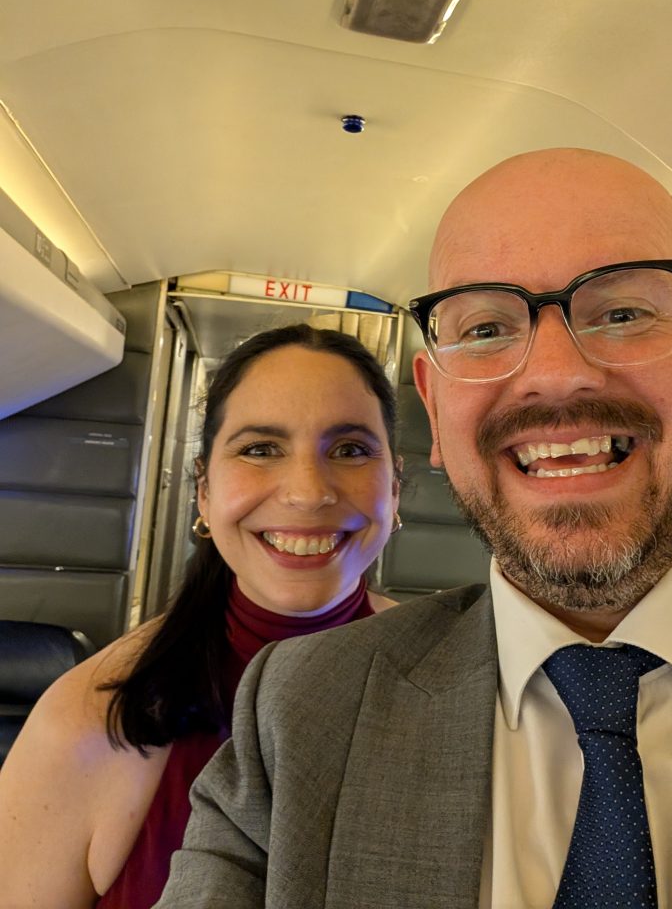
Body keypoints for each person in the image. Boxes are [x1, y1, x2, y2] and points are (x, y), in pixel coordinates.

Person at [153, 149, 672, 909]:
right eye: (485, 328)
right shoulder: (303, 711)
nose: (554, 374)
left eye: (621, 313)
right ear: (436, 413)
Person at [0, 323, 401, 909]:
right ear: (204, 494)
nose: (308, 492)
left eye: (350, 450)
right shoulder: (85, 720)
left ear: (396, 492)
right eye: (260, 449)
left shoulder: (458, 676)